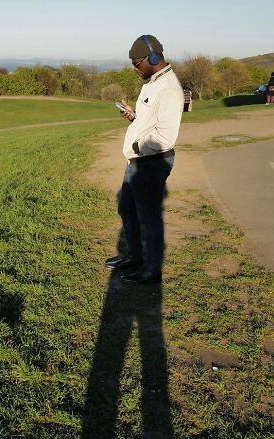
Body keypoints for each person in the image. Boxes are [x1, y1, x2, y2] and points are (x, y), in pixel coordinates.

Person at [104, 34, 184, 284]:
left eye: (136, 63)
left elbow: (166, 136)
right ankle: (134, 256)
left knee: (149, 217)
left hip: (152, 163)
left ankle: (151, 270)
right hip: (138, 162)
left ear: (152, 58)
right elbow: (152, 121)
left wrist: (137, 146)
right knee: (126, 208)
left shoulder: (169, 88)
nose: (134, 68)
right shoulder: (152, 82)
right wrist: (135, 117)